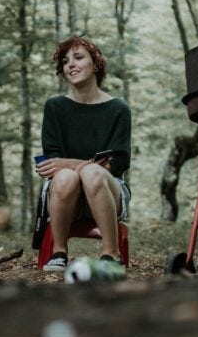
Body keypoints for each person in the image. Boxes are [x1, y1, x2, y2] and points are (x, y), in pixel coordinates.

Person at [36, 36, 132, 271]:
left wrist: (69, 163)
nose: (71, 64)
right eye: (66, 61)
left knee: (92, 174)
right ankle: (59, 253)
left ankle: (111, 254)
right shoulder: (55, 107)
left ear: (96, 64)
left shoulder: (118, 109)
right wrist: (86, 164)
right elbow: (50, 163)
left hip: (108, 192)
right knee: (69, 176)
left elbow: (118, 162)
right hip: (64, 193)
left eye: (78, 58)